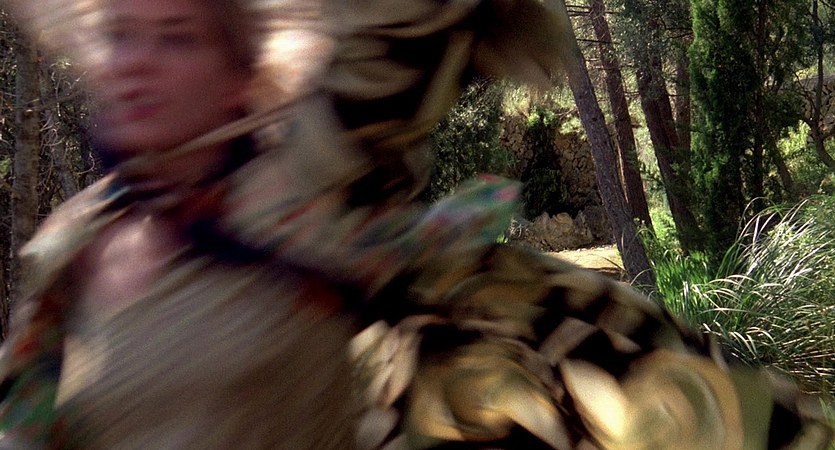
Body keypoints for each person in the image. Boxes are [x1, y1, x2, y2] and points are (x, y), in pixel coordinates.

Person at [2, 0, 833, 449]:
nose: (134, 63)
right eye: (120, 34)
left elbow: (396, 36)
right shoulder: (75, 239)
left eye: (175, 37)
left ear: (240, 78)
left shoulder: (302, 194)